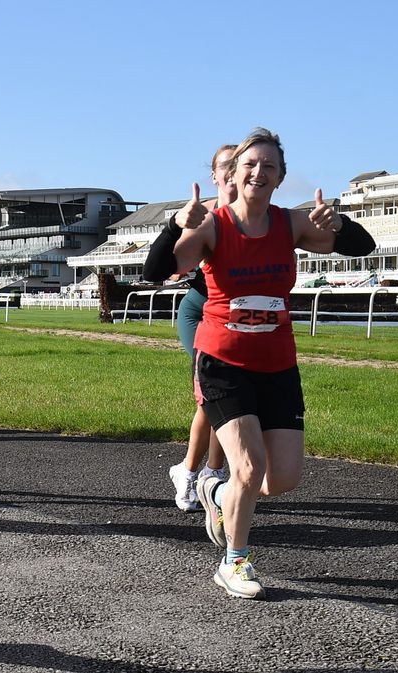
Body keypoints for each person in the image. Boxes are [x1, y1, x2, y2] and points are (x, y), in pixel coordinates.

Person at [169, 128, 375, 599]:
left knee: (280, 479)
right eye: (251, 165)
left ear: (281, 178)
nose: (259, 172)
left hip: (278, 363)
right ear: (234, 174)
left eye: (270, 167)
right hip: (223, 361)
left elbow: (362, 247)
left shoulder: (291, 223)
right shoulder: (213, 225)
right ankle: (234, 562)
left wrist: (338, 224)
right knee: (247, 465)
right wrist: (176, 225)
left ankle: (215, 494)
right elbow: (159, 268)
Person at [145, 145, 236, 511]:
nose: (232, 172)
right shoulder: (203, 215)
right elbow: (167, 267)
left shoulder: (255, 216)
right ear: (213, 175)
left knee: (224, 398)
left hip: (233, 317)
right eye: (224, 166)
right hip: (199, 311)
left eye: (238, 163)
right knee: (215, 397)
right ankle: (196, 473)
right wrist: (181, 226)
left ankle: (202, 473)